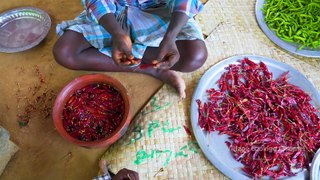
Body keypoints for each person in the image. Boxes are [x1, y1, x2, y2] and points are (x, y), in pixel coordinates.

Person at [53, 0, 208, 98]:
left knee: (194, 56)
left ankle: (140, 54)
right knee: (65, 52)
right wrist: (116, 33)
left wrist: (170, 36)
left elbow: (185, 2)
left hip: (158, 8)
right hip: (113, 12)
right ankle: (151, 69)